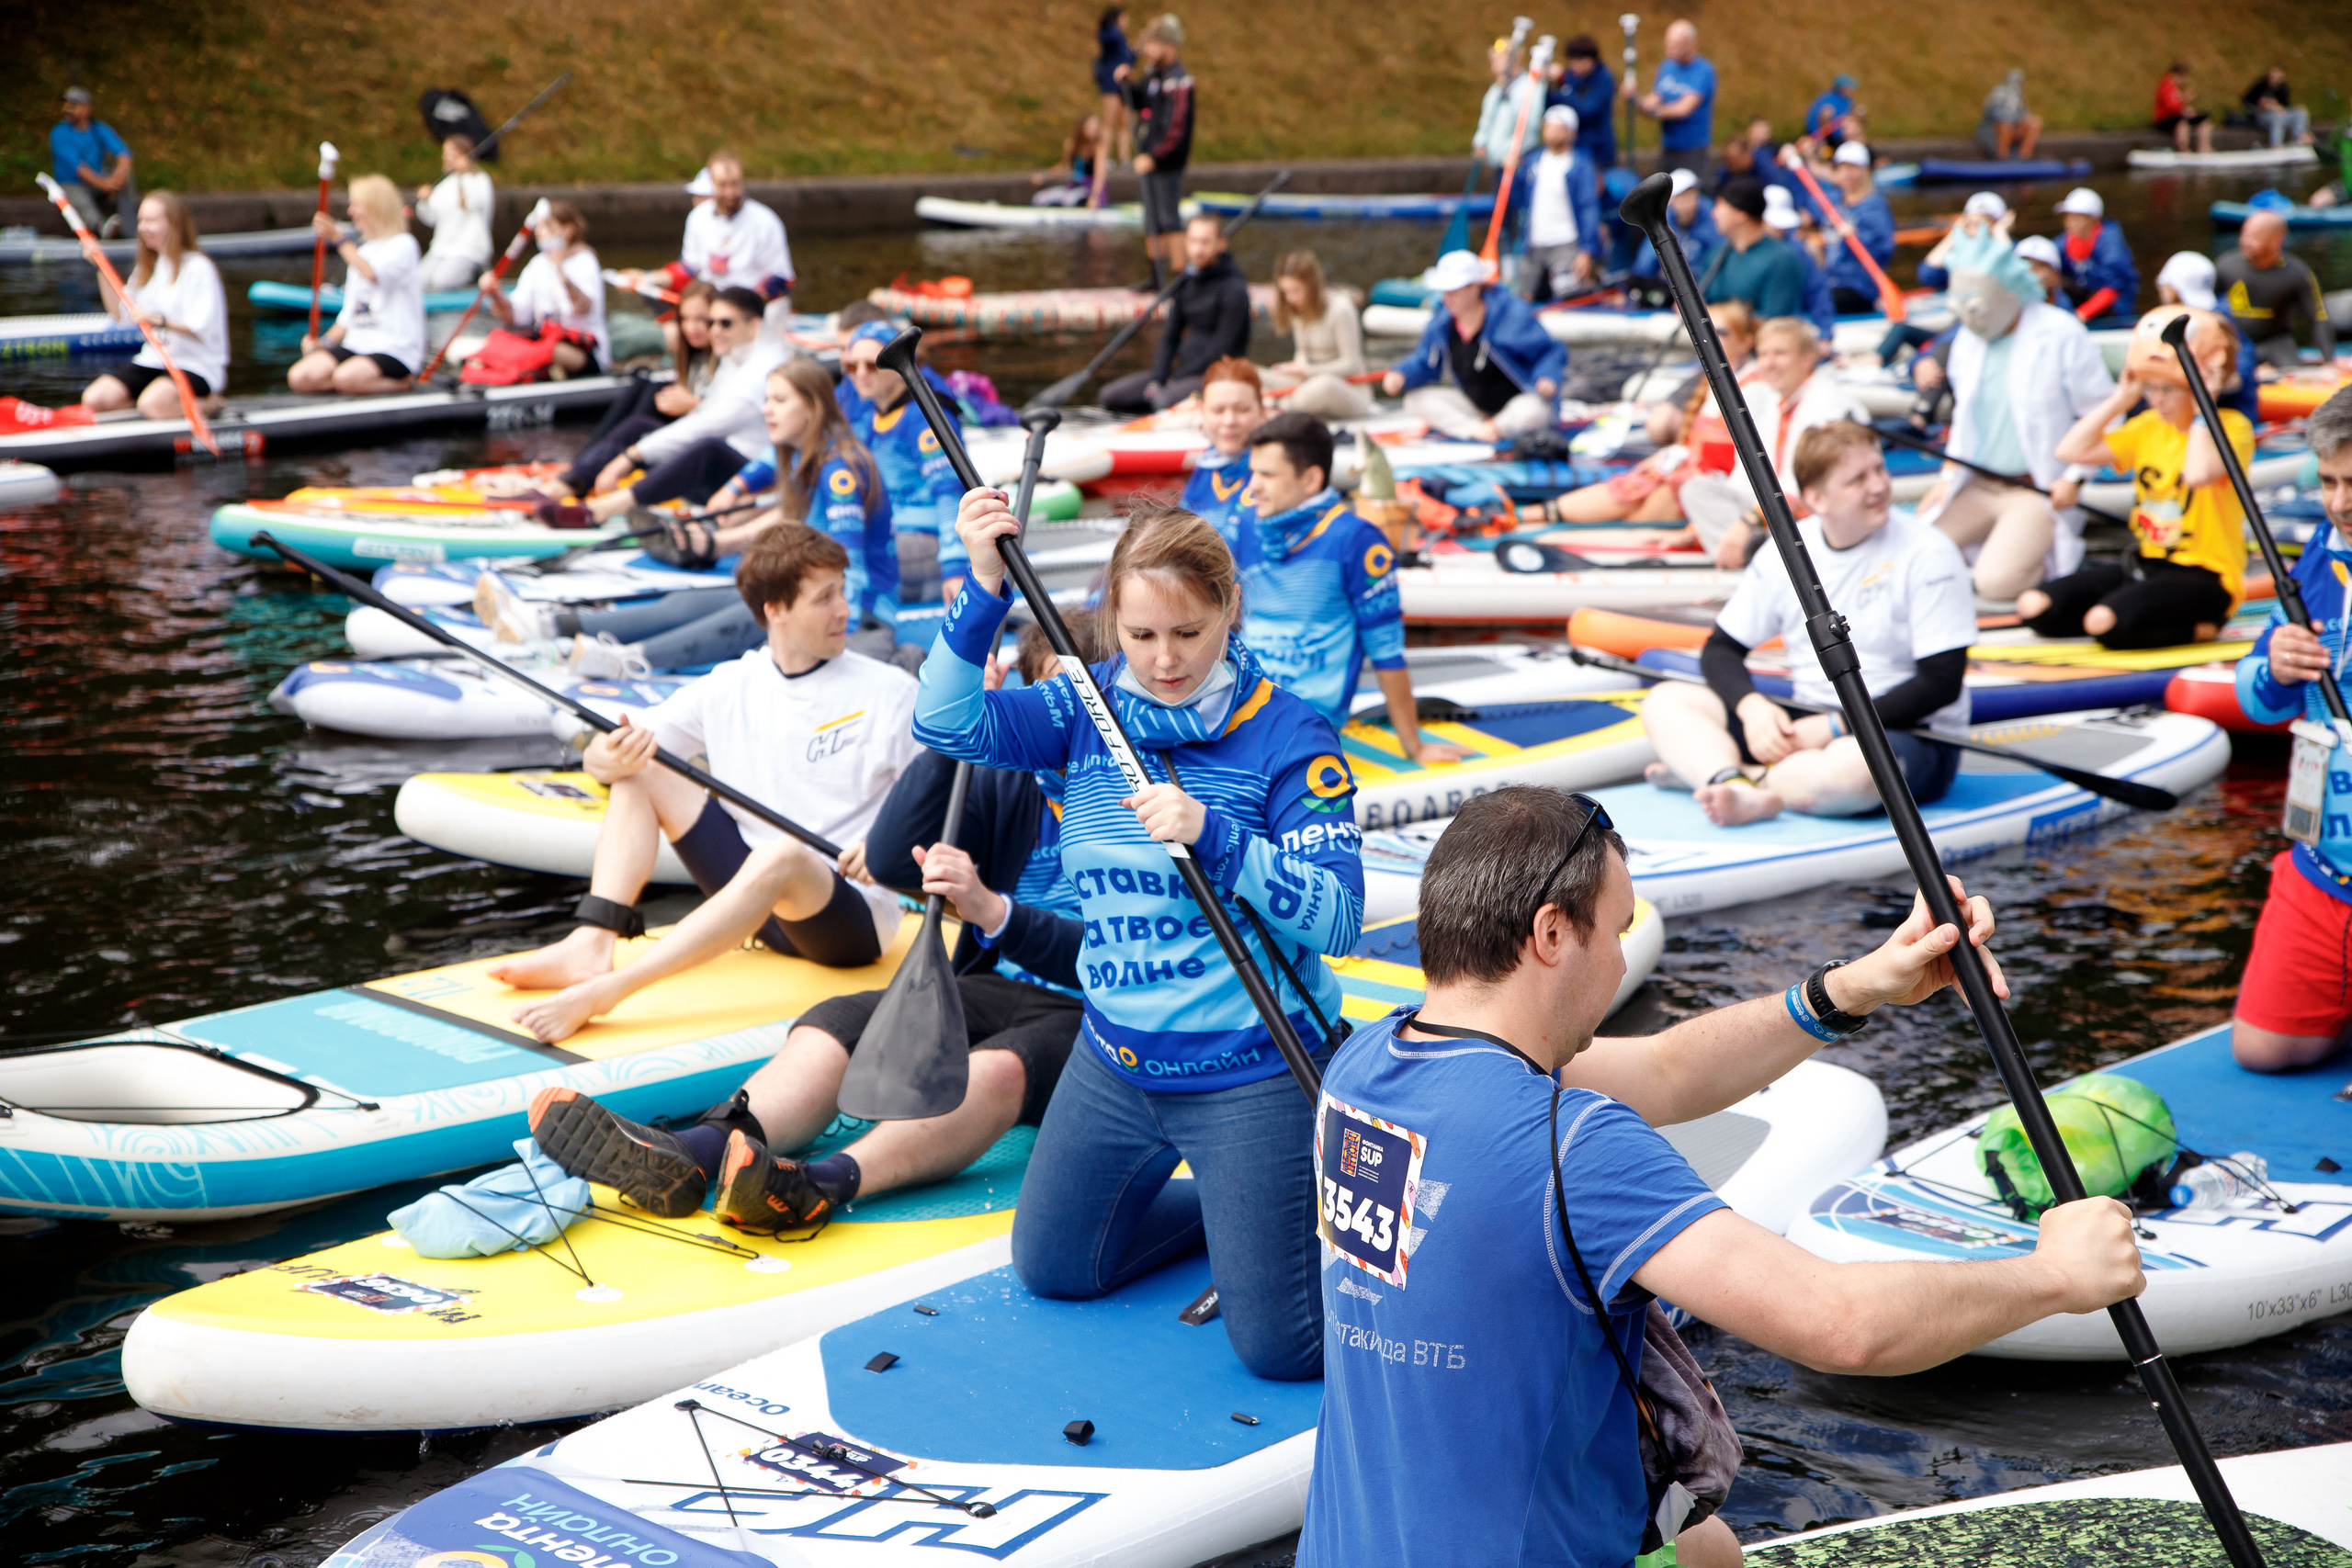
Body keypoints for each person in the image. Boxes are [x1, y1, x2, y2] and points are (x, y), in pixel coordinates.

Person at [1295, 786, 2144, 1568]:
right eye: (1616, 932)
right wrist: (2055, 1274)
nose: (1624, 967)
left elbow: (1666, 1069)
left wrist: (1855, 987)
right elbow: (1842, 1326)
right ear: (1551, 934)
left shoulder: (1366, 1059)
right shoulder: (1575, 1145)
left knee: (1708, 1548)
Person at [919, 491, 1367, 1381]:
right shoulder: (1079, 710)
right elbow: (943, 723)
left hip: (1251, 1071)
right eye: (1141, 636)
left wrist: (1218, 836)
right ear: (1111, 624)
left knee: (1281, 1353)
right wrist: (979, 590)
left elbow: (1341, 918)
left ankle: (1267, 1198)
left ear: (1228, 610)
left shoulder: (1287, 736)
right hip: (1112, 1063)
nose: (1164, 661)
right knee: (1055, 1270)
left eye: (1189, 634)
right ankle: (1244, 1212)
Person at [516, 636, 1089, 1232]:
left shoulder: (1144, 799)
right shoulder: (1010, 778)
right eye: (1044, 697)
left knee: (996, 1068)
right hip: (996, 984)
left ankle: (820, 1183)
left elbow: (1119, 957)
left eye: (1070, 700)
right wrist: (959, 734)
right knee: (835, 1021)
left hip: (1105, 1010)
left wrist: (996, 912)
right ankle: (695, 1153)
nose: (1053, 717)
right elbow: (893, 863)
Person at [487, 525, 918, 1038]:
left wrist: (887, 843)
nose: (845, 609)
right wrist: (608, 754)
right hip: (755, 902)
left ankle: (612, 991)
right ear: (775, 609)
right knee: (643, 765)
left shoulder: (890, 692)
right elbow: (601, 766)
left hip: (847, 919)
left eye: (842, 592)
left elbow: (940, 801)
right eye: (825, 598)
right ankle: (592, 943)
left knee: (782, 856)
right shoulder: (728, 686)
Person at [1644, 421, 1976, 826]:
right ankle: (1736, 781)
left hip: (1908, 731)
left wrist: (1835, 726)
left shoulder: (1930, 554)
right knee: (1666, 701)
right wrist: (1753, 710)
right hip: (1807, 720)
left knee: (1850, 771)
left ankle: (1731, 777)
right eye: (1857, 479)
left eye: (1879, 470)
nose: (1878, 486)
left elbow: (1941, 682)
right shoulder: (1786, 551)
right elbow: (1721, 650)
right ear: (1817, 498)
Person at [482, 359, 899, 678]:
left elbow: (850, 563)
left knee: (754, 609)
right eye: (768, 399)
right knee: (693, 601)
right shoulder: (808, 454)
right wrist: (733, 499)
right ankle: (553, 624)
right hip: (817, 596)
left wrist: (839, 628)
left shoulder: (839, 470)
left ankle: (632, 661)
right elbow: (766, 468)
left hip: (861, 613)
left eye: (779, 401)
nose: (767, 410)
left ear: (812, 408)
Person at [2231, 386, 2352, 1072]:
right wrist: (2273, 666)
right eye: (2329, 481)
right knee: (2263, 1050)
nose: (2339, 502)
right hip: (2321, 864)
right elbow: (2258, 701)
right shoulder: (2318, 554)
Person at [1237, 411, 1468, 763]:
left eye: (1267, 474)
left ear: (1312, 479)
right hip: (1234, 711)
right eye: (1252, 472)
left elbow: (1387, 653)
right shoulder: (1247, 524)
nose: (1251, 485)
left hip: (1302, 727)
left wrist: (1414, 748)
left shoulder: (1357, 541)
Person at [2025, 306, 2251, 649]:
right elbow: (2070, 451)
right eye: (2151, 388)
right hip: (2148, 563)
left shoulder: (2232, 427)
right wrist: (2121, 399)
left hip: (2208, 575)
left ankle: (2204, 628)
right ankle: (2122, 617)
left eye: (2169, 389)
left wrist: (2208, 400)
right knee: (2036, 607)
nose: (2157, 400)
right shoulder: (2148, 427)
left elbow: (2198, 474)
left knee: (2105, 622)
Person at [1917, 233, 2115, 600]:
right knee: (1914, 556)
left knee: (1995, 582)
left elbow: (2103, 413)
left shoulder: (2060, 331)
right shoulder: (1968, 339)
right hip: (1978, 482)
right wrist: (1946, 478)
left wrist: (2075, 477)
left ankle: (2041, 569)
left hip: (2035, 487)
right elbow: (1964, 415)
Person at [538, 287, 783, 526]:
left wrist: (631, 456)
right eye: (712, 323)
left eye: (725, 324)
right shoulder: (735, 359)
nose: (714, 331)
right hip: (731, 469)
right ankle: (567, 483)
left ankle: (600, 509)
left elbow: (709, 425)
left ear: (754, 325)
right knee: (640, 425)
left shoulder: (762, 369)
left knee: (708, 448)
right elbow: (705, 418)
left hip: (756, 479)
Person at [1677, 317, 1870, 570]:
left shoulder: (1830, 404)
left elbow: (1813, 487)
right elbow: (1744, 481)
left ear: (1808, 358)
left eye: (1780, 353)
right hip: (1775, 516)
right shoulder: (1771, 404)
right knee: (1696, 490)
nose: (1769, 363)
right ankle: (1752, 553)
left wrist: (1748, 521)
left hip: (1817, 514)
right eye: (1763, 354)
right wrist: (1697, 530)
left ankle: (1759, 561)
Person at [1541, 302, 1758, 526]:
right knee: (1634, 483)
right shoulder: (1708, 382)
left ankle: (1542, 517)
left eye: (1720, 333)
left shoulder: (1753, 388)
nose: (1711, 339)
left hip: (1712, 484)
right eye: (1706, 332)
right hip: (1692, 472)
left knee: (1650, 498)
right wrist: (1671, 455)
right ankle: (1533, 515)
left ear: (1745, 342)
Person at [1381, 249, 1566, 441]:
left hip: (1518, 405)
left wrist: (1547, 377)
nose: (1447, 298)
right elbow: (1425, 360)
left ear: (1475, 287)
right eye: (1444, 292)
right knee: (1415, 400)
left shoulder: (1511, 314)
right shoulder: (1442, 321)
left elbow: (1550, 351)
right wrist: (1401, 374)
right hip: (1475, 408)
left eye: (1454, 291)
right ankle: (1477, 431)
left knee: (1532, 412)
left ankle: (1496, 429)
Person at [78, 191, 228, 419]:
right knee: (94, 399)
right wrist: (101, 266)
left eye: (151, 221)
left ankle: (210, 404)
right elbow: (120, 314)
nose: (143, 228)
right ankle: (147, 406)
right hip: (154, 359)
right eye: (141, 221)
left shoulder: (198, 267)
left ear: (173, 224)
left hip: (197, 365)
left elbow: (201, 325)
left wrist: (156, 320)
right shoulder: (146, 269)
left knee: (153, 404)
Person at [1101, 212, 1252, 413]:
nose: (1198, 249)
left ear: (1221, 244)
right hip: (1181, 374)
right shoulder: (1186, 282)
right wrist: (1159, 378)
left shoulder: (1234, 289)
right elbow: (1169, 337)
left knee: (1162, 401)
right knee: (1111, 397)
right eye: (1193, 241)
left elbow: (1223, 349)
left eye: (1205, 242)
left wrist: (1176, 380)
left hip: (1218, 376)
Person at [288, 175, 424, 396]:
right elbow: (349, 313)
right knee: (300, 377)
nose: (351, 211)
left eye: (356, 205)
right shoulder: (363, 251)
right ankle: (355, 385)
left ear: (375, 206)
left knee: (345, 378)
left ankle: (402, 383)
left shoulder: (403, 245)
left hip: (393, 348)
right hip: (357, 345)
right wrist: (323, 343)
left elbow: (372, 273)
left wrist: (338, 238)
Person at [617, 152, 794, 318]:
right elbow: (686, 269)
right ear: (712, 184)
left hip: (750, 307)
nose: (730, 193)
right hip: (710, 304)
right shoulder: (698, 217)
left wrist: (744, 308)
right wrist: (646, 278)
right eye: (723, 185)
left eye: (735, 184)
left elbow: (782, 279)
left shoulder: (765, 220)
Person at [478, 202, 607, 377]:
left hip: (584, 349)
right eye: (538, 226)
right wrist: (495, 294)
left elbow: (582, 308)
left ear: (567, 230)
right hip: (546, 341)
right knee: (496, 341)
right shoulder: (537, 264)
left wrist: (562, 273)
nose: (539, 231)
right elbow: (517, 316)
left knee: (551, 350)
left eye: (546, 225)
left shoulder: (585, 261)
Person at [1504, 106, 1602, 303]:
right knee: (1524, 299)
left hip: (1566, 244)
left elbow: (1588, 208)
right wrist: (1511, 173)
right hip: (1533, 245)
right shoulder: (1532, 163)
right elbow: (1514, 199)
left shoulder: (1580, 166)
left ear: (1571, 133)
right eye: (1549, 127)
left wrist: (1587, 251)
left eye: (1559, 128)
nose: (1552, 132)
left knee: (1570, 298)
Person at [2217, 209, 2335, 370]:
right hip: (2237, 343)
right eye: (2244, 234)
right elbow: (2209, 309)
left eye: (2254, 237)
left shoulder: (2298, 274)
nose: (2244, 241)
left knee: (2291, 369)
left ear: (2276, 241)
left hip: (2276, 344)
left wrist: (2329, 361)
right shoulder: (2226, 266)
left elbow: (2318, 318)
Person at [1130, 16, 1197, 285]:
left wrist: (1155, 156)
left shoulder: (1179, 80)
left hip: (1167, 160)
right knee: (1152, 218)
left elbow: (1176, 127)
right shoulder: (1153, 76)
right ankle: (1156, 276)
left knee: (1169, 217)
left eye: (1151, 44)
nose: (1147, 50)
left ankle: (1179, 277)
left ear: (1168, 45)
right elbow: (1140, 102)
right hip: (1147, 157)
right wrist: (1128, 83)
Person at [1263, 250, 1370, 420]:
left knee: (1324, 386)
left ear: (1311, 285)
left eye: (1295, 290)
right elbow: (1302, 355)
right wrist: (1290, 369)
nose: (1290, 298)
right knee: (1256, 374)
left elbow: (1352, 365)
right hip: (1307, 384)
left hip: (1346, 388)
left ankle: (1276, 411)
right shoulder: (1297, 311)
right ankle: (1270, 406)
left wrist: (1305, 371)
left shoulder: (1341, 310)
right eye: (1286, 292)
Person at [2156, 250, 2260, 421]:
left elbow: (2237, 380)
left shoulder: (2221, 324)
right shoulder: (2169, 320)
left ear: (2169, 289)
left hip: (2227, 419)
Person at [1702, 177, 1807, 323]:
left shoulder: (1782, 259)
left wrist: (1716, 316)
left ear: (1741, 215)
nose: (1714, 213)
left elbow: (1774, 320)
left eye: (1720, 205)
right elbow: (1697, 304)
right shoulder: (1716, 253)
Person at [1629, 19, 1715, 179]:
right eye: (1668, 44)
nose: (1670, 50)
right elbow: (1655, 99)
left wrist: (1654, 111)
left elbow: (1683, 109)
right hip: (1668, 146)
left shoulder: (1703, 70)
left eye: (1676, 45)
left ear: (1691, 44)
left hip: (1692, 148)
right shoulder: (1667, 66)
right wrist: (1636, 98)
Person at [1819, 141, 1894, 314]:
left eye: (1853, 168)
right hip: (1831, 280)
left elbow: (1885, 250)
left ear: (1865, 171)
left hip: (1860, 286)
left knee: (1826, 299)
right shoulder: (1834, 202)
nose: (1847, 174)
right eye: (1843, 168)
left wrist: (1857, 236)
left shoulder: (1875, 206)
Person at [51, 87, 135, 239]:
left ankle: (130, 227)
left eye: (74, 105)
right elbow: (79, 169)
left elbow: (124, 154)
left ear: (86, 108)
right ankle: (100, 226)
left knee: (127, 176)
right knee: (76, 196)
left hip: (98, 181)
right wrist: (105, 184)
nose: (67, 109)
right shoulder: (59, 133)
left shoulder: (97, 128)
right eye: (66, 104)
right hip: (73, 183)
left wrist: (118, 177)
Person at [413, 136, 494, 293]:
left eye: (450, 152)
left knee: (442, 282)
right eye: (445, 152)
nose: (446, 157)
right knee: (418, 281)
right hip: (441, 248)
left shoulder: (479, 180)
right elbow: (431, 218)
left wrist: (464, 175)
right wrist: (424, 202)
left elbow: (474, 203)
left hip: (469, 249)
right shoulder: (444, 185)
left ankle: (474, 275)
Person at [1761, 185, 1837, 341]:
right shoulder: (1736, 251)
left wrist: (1825, 333)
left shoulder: (1798, 251)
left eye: (1783, 226)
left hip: (1787, 331)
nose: (1780, 230)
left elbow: (1817, 291)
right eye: (1774, 225)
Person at [2053, 188, 2139, 322]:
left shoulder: (2111, 244)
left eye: (2076, 217)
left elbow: (2113, 287)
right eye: (2067, 216)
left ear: (2093, 219)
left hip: (2115, 308)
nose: (2069, 222)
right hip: (2085, 296)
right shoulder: (2064, 242)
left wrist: (2081, 314)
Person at [1628, 167, 1720, 282]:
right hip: (1670, 288)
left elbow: (1718, 262)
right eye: (1682, 197)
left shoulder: (1711, 216)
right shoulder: (1663, 220)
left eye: (1692, 195)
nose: (1689, 204)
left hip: (1703, 288)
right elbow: (1644, 264)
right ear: (1671, 201)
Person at [1473, 37, 1543, 187]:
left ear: (1514, 60)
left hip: (1518, 164)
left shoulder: (1529, 86)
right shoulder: (1495, 89)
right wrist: (1480, 141)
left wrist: (1520, 153)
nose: (1493, 64)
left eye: (1499, 59)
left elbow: (1530, 124)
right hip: (1498, 164)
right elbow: (1487, 118)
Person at [1549, 35, 1617, 170]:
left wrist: (1564, 86)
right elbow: (1553, 108)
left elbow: (1587, 109)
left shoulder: (1604, 79)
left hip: (1598, 153)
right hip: (1572, 150)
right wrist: (1547, 85)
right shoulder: (1569, 77)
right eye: (1572, 59)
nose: (1576, 65)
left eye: (1581, 59)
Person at [1093, 7, 1136, 205]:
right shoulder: (1110, 34)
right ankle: (1106, 158)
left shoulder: (1122, 37)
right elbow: (1107, 41)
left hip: (1124, 84)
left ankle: (1124, 158)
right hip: (1110, 84)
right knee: (1108, 122)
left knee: (1124, 122)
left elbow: (1128, 57)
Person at [1030, 114, 1102, 207]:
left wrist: (1094, 197)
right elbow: (1063, 166)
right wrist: (1044, 177)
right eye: (1090, 126)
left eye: (1096, 126)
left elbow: (1100, 174)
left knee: (1070, 200)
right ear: (1082, 127)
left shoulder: (1098, 147)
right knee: (1039, 199)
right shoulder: (1071, 144)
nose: (1094, 129)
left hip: (1090, 188)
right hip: (1074, 187)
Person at [1974, 69, 2041, 161]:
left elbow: (2024, 113)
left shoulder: (2019, 96)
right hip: (1993, 130)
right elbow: (1995, 114)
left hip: (2013, 127)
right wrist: (2013, 122)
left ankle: (2023, 158)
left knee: (2033, 124)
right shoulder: (1999, 93)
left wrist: (2022, 122)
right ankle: (2002, 158)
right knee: (2005, 126)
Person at [2242, 65, 2312, 150]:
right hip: (2262, 116)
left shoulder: (2283, 89)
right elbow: (2248, 102)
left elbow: (2285, 107)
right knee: (2277, 117)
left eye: (2278, 77)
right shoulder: (2260, 86)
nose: (2275, 79)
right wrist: (2263, 105)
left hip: (2280, 114)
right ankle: (2276, 144)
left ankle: (2299, 137)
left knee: (2301, 112)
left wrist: (2277, 107)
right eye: (2273, 76)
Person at [2154, 62, 2214, 155]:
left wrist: (2186, 106)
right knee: (2182, 124)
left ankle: (2205, 148)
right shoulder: (2167, 85)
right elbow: (2171, 107)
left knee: (2204, 121)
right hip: (2165, 119)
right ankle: (2183, 149)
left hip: (2177, 116)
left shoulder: (2176, 88)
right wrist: (2184, 102)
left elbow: (2178, 104)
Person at [2012, 233, 2071, 309]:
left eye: (2041, 265)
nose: (2032, 271)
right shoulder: (2005, 309)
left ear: (2056, 274)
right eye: (2025, 263)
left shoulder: (2065, 313)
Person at [1805, 73, 1859, 145]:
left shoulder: (1845, 99)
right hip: (1822, 138)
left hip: (1834, 136)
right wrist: (1824, 140)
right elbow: (1824, 116)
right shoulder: (1831, 98)